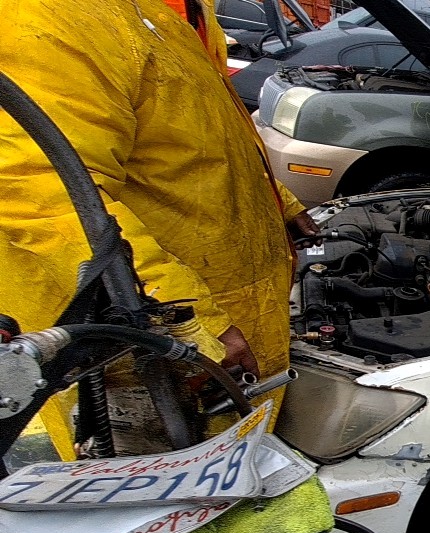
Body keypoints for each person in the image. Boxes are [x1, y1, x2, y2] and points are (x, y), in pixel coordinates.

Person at [0, 0, 317, 456]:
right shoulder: (42, 21)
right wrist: (188, 325)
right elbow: (43, 196)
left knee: (237, 469)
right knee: (170, 488)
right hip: (146, 347)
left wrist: (280, 201)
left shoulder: (164, 10)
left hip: (225, 312)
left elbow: (191, 138)